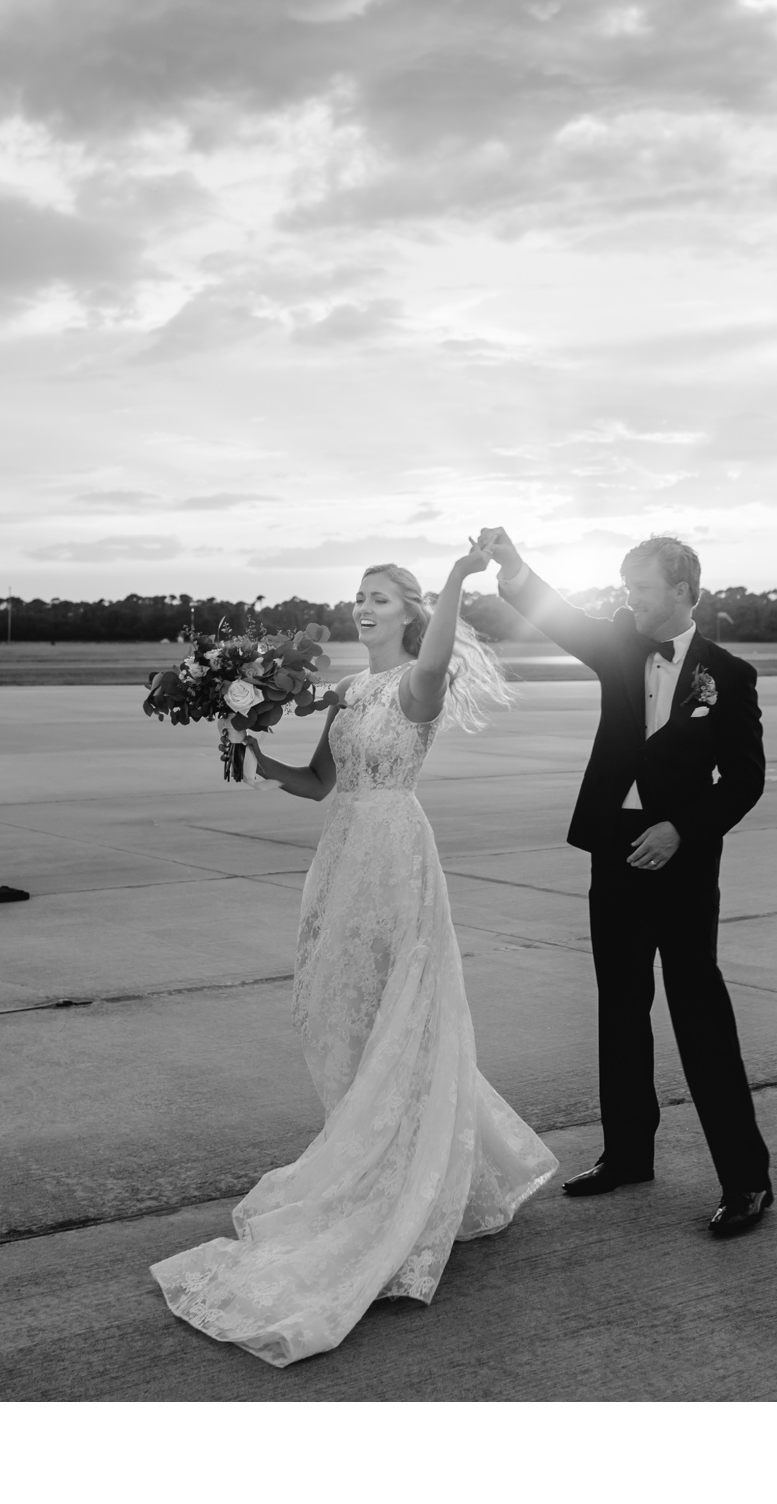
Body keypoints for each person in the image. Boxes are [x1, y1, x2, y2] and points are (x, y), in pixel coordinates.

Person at [151, 546, 556, 1367]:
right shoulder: (346, 692)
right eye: (358, 597)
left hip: (399, 860)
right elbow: (316, 785)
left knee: (400, 1015)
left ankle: (398, 1178)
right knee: (339, 1012)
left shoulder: (415, 683)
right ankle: (382, 1147)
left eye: (378, 598)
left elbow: (439, 651)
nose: (362, 608)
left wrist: (454, 579)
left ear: (407, 612)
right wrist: (250, 751)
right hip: (342, 859)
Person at [481, 528, 772, 1236]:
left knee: (697, 1010)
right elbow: (555, 614)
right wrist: (515, 569)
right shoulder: (617, 645)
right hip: (613, 849)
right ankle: (627, 1154)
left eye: (639, 588)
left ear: (682, 592)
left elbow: (744, 780)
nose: (627, 600)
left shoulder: (727, 675)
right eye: (622, 587)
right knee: (618, 1004)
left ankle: (746, 1181)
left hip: (680, 857)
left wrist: (680, 829)